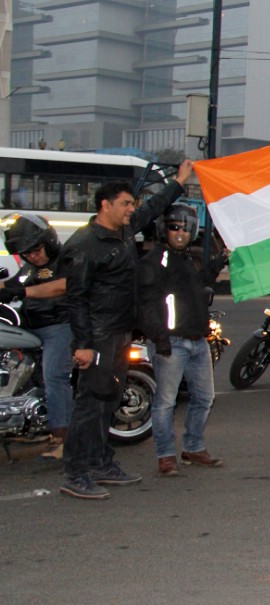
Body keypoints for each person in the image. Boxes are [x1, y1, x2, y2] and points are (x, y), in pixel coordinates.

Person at [59, 161, 192, 500]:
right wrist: (84, 345)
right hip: (99, 336)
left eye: (132, 205)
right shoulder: (85, 245)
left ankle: (102, 463)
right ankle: (75, 472)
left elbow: (152, 208)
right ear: (106, 205)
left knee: (109, 401)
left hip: (119, 332)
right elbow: (76, 300)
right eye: (126, 204)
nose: (132, 209)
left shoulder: (120, 232)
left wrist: (178, 182)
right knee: (90, 404)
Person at [137, 204, 227, 477]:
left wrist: (218, 261)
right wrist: (160, 338)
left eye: (186, 228)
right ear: (164, 229)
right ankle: (166, 456)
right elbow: (147, 304)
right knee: (165, 402)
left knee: (204, 398)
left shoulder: (186, 259)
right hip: (172, 343)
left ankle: (193, 447)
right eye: (175, 226)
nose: (180, 232)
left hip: (198, 340)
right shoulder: (154, 261)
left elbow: (198, 286)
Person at [1, 214, 72, 459]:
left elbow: (62, 285)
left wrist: (20, 291)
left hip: (59, 326)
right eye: (27, 252)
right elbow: (12, 284)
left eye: (36, 249)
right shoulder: (30, 266)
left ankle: (60, 437)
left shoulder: (67, 258)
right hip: (31, 326)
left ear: (48, 239)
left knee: (54, 376)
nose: (33, 255)